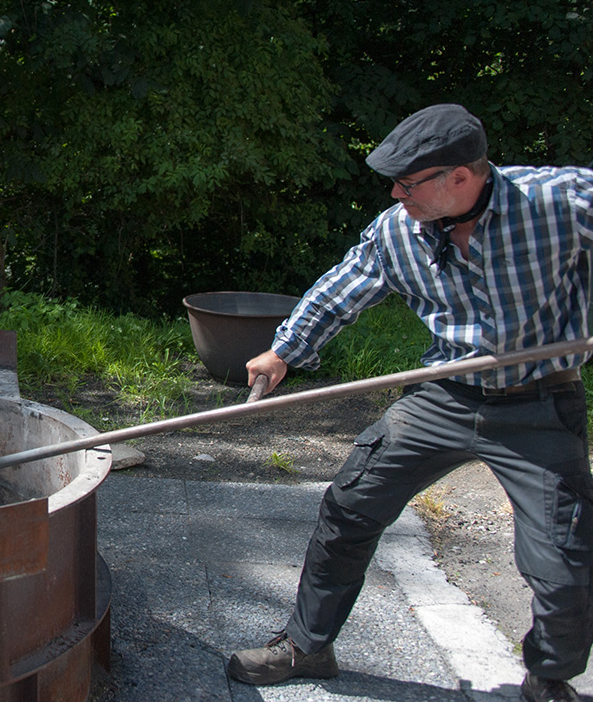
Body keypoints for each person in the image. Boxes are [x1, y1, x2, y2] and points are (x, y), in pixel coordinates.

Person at [229, 103, 593, 702]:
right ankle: (306, 645)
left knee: (563, 559)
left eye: (408, 181)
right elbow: (344, 285)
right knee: (349, 507)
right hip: (443, 396)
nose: (396, 193)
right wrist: (284, 351)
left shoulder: (555, 202)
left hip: (539, 402)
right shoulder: (399, 227)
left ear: (460, 176)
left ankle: (548, 680)